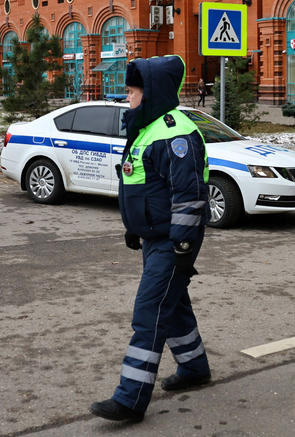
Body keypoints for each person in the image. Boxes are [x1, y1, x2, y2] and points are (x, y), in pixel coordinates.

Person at [91, 55, 211, 424]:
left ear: (152, 92)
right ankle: (193, 369)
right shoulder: (150, 128)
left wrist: (183, 246)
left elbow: (188, 195)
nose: (126, 99)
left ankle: (130, 399)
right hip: (156, 238)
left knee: (149, 312)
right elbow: (143, 186)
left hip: (172, 241)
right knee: (171, 307)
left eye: (131, 92)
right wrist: (135, 227)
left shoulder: (175, 133)